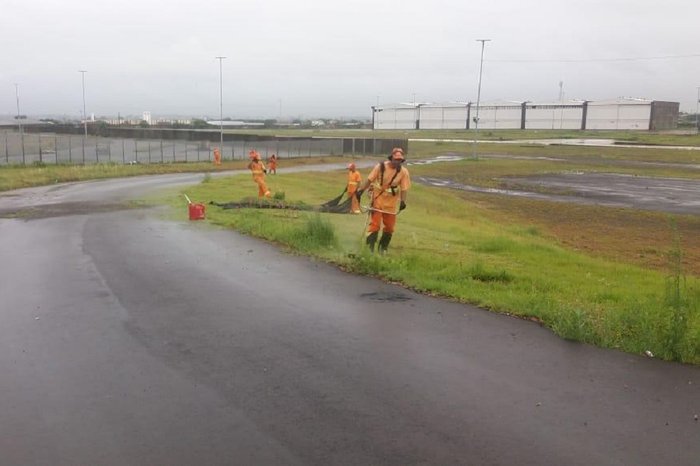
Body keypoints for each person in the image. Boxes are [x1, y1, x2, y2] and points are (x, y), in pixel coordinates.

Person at [355, 147, 410, 253]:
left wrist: (403, 202)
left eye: (400, 160)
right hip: (377, 199)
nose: (398, 162)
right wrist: (360, 191)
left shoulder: (403, 172)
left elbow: (404, 189)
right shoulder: (380, 167)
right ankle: (369, 250)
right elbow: (369, 180)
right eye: (396, 160)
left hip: (391, 204)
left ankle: (382, 249)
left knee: (389, 227)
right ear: (391, 158)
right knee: (375, 225)